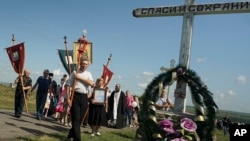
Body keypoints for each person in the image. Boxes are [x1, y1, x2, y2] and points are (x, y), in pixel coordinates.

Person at [66, 57, 94, 141]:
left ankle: (71, 134)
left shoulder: (89, 74)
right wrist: (67, 98)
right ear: (80, 63)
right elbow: (67, 86)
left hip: (84, 97)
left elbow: (91, 83)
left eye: (86, 64)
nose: (84, 66)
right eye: (83, 64)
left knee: (80, 119)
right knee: (76, 118)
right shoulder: (74, 73)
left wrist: (79, 78)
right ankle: (77, 139)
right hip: (75, 96)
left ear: (88, 65)